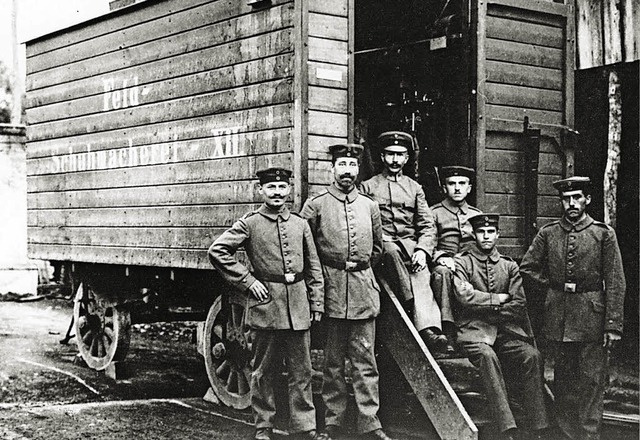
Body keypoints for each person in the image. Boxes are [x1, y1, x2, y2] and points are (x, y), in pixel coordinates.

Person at [208, 168, 329, 440]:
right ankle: (263, 425)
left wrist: (316, 303)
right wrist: (248, 281)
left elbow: (314, 268)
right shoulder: (250, 223)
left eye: (282, 187)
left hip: (298, 305)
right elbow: (218, 251)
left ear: (289, 190)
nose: (277, 192)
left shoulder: (300, 224)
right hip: (265, 304)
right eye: (271, 187)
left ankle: (304, 426)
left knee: (303, 371)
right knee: (263, 370)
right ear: (260, 190)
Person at [520, 176, 626, 440]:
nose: (571, 204)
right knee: (564, 379)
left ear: (587, 200)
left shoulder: (603, 234)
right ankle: (566, 434)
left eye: (577, 197)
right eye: (566, 199)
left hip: (592, 316)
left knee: (591, 381)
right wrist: (552, 288)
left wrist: (613, 325)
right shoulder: (548, 233)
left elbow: (615, 280)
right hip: (560, 316)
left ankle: (589, 435)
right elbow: (527, 268)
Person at [301, 144, 394, 440]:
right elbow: (305, 248)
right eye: (341, 164)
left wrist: (359, 268)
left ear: (357, 170)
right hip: (331, 291)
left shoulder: (369, 206)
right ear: (332, 169)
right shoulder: (315, 205)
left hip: (364, 293)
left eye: (352, 166)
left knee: (366, 363)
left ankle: (370, 422)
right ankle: (333, 422)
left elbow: (378, 249)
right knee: (332, 364)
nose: (347, 171)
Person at [453, 214, 549, 440]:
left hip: (505, 334)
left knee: (531, 356)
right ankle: (507, 427)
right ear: (474, 235)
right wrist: (498, 299)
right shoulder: (463, 262)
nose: (486, 237)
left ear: (498, 235)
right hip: (473, 333)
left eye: (490, 232)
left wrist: (485, 305)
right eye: (481, 232)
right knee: (487, 356)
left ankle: (540, 427)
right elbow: (463, 298)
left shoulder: (509, 265)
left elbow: (518, 304)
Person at [360, 131, 450, 353]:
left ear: (407, 159)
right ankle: (409, 305)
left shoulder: (414, 188)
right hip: (382, 248)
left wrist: (422, 250)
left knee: (421, 270)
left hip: (410, 248)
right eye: (390, 154)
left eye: (400, 155)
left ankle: (429, 329)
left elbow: (427, 225)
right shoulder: (368, 187)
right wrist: (379, 237)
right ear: (382, 157)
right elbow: (362, 222)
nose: (395, 160)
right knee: (390, 251)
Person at [430, 166, 482, 346]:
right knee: (442, 273)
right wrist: (440, 256)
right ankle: (448, 329)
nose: (457, 188)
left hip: (470, 263)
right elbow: (428, 241)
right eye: (452, 184)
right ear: (445, 188)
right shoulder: (434, 213)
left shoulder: (476, 215)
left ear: (469, 188)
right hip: (447, 262)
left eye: (462, 183)